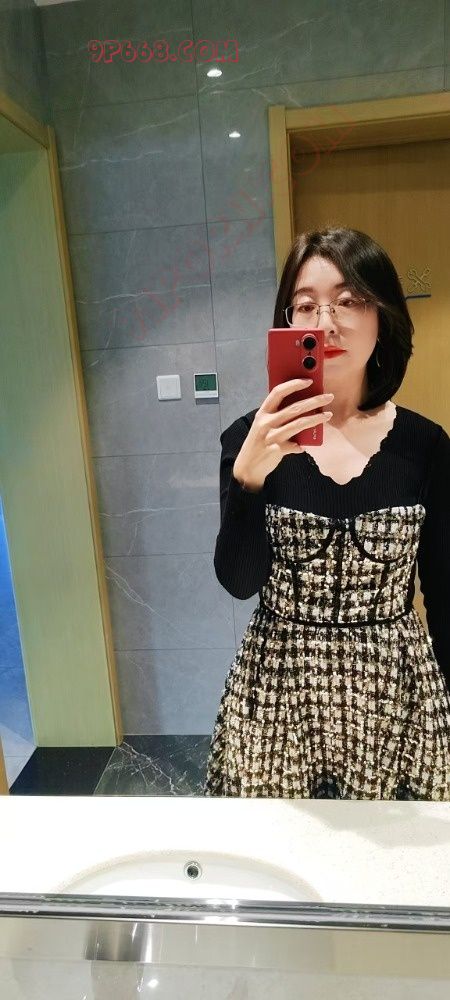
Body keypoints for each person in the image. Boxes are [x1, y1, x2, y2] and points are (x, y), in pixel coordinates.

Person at [203, 226, 450, 801]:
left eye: (349, 300)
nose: (325, 322)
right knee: (279, 847)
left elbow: (444, 593)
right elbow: (239, 582)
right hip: (278, 692)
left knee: (390, 851)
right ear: (287, 322)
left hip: (394, 697)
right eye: (306, 305)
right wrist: (248, 479)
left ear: (383, 316)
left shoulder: (425, 446)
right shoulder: (249, 439)